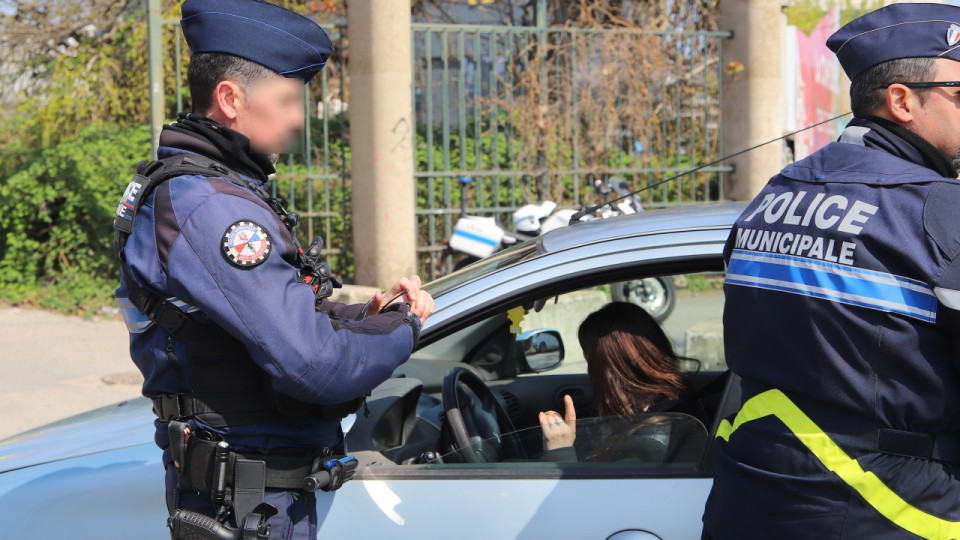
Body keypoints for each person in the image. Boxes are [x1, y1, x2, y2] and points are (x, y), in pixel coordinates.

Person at [112, 1, 434, 538]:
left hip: (259, 497)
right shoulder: (211, 207)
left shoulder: (221, 188)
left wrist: (364, 314)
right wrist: (404, 327)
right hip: (248, 507)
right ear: (231, 99)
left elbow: (275, 307)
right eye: (286, 100)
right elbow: (314, 364)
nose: (297, 119)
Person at [702, 4, 960, 539]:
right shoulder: (940, 210)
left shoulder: (775, 193)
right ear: (901, 100)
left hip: (747, 501)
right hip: (894, 512)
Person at [538, 302, 687, 459]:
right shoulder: (665, 407)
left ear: (607, 370)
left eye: (591, 362)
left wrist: (560, 449)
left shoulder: (647, 446)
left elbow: (590, 485)